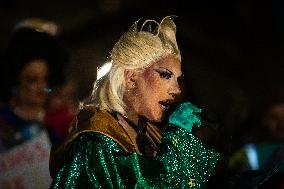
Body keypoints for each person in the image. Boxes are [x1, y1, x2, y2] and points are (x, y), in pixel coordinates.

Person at [50, 16, 220, 188]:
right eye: (165, 75)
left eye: (178, 79)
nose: (177, 90)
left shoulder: (151, 135)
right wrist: (179, 141)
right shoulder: (95, 145)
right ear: (131, 78)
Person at [0, 18, 67, 188]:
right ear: (16, 81)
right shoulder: (3, 124)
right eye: (32, 80)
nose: (41, 87)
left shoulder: (61, 123)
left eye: (45, 79)